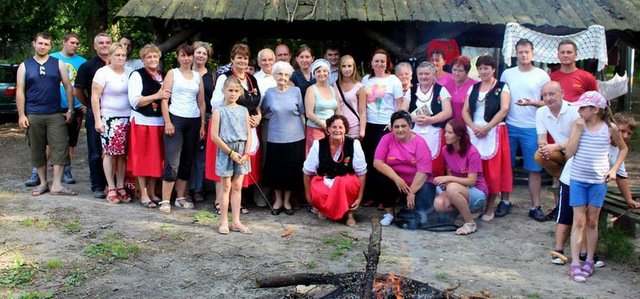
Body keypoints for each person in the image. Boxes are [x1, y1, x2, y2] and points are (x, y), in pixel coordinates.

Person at [565, 91, 627, 283]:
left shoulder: (610, 129)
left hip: (598, 181)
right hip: (577, 179)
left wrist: (614, 169)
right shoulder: (577, 125)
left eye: (583, 107)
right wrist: (578, 130)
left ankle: (589, 259)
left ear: (595, 110)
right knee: (579, 221)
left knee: (592, 221)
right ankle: (575, 262)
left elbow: (623, 148)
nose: (579, 110)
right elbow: (569, 153)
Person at [16, 32, 76, 196]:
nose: (43, 47)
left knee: (60, 147)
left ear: (50, 46)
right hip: (33, 114)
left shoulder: (58, 64)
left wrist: (70, 109)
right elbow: (20, 91)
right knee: (37, 149)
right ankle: (43, 183)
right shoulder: (25, 66)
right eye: (40, 43)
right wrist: (22, 115)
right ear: (34, 43)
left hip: (55, 113)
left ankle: (57, 185)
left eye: (46, 44)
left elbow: (68, 87)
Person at [500, 38, 550, 221]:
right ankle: (504, 201)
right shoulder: (507, 74)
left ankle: (535, 206)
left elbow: (548, 101)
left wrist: (532, 103)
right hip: (510, 125)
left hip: (533, 127)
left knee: (534, 169)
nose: (523, 55)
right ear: (515, 53)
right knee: (506, 166)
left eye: (526, 52)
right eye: (520, 52)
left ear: (532, 53)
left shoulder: (542, 75)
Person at [208, 43, 262, 214]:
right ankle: (219, 202)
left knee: (240, 165)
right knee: (226, 164)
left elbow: (256, 102)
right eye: (239, 57)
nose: (242, 61)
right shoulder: (225, 77)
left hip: (247, 126)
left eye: (245, 58)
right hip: (228, 127)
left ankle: (236, 202)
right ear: (232, 59)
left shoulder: (252, 79)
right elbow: (216, 103)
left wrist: (258, 116)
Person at [461, 55, 512, 221]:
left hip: (494, 131)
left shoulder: (502, 87)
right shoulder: (473, 88)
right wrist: (474, 127)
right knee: (475, 170)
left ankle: (490, 208)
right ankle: (477, 205)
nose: (483, 71)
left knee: (493, 172)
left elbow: (504, 110)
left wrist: (487, 128)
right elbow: (464, 111)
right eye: (481, 68)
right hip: (474, 132)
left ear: (493, 69)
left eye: (486, 68)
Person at [159, 44, 206, 213]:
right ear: (178, 57)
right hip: (176, 119)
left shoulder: (197, 76)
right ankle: (165, 200)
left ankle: (180, 197)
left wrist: (202, 124)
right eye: (183, 55)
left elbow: (201, 102)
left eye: (189, 55)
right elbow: (164, 98)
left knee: (187, 160)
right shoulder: (172, 73)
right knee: (173, 161)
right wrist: (168, 122)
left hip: (193, 120)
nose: (186, 58)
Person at [303, 115, 367, 226]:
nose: (337, 130)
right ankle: (324, 209)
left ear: (345, 129)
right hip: (325, 179)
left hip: (346, 180)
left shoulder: (354, 144)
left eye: (340, 127)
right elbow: (307, 172)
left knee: (341, 183)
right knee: (320, 190)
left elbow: (361, 174)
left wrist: (360, 197)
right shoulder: (319, 145)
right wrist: (309, 198)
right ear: (328, 129)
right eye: (334, 127)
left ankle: (348, 214)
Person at [360, 49, 405, 208]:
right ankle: (371, 195)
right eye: (376, 61)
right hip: (368, 125)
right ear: (371, 63)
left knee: (383, 163)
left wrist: (393, 124)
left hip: (386, 126)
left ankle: (384, 199)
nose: (379, 64)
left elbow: (399, 106)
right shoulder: (365, 80)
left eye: (382, 61)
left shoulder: (394, 81)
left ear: (387, 63)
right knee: (368, 161)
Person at [374, 111, 434, 226]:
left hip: (417, 182)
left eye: (403, 126)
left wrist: (412, 192)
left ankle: (421, 212)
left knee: (426, 188)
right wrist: (397, 179)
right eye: (396, 126)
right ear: (391, 128)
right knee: (380, 178)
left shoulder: (419, 142)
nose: (400, 129)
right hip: (398, 182)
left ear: (410, 126)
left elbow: (424, 171)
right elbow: (378, 163)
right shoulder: (386, 139)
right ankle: (390, 214)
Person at [127, 44, 169, 208]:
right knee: (142, 159)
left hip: (159, 122)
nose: (153, 60)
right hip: (142, 122)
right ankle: (143, 194)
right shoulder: (137, 75)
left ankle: (152, 192)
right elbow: (135, 101)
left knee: (157, 160)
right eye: (149, 57)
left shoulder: (163, 76)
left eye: (155, 57)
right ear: (143, 60)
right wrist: (157, 95)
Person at [91, 42, 134, 204]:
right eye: (117, 55)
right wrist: (97, 119)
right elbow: (95, 97)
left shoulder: (130, 72)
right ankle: (110, 187)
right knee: (110, 153)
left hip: (128, 118)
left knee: (123, 154)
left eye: (123, 55)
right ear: (110, 56)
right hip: (110, 118)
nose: (120, 58)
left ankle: (121, 185)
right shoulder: (102, 73)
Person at [261, 61, 306, 215]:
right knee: (276, 171)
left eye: (286, 74)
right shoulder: (269, 93)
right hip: (275, 137)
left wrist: (305, 133)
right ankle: (278, 200)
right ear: (274, 75)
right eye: (279, 74)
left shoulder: (296, 92)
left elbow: (302, 113)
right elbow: (263, 111)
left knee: (291, 172)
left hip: (295, 137)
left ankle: (287, 201)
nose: (283, 77)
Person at [210, 76, 252, 235]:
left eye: (236, 91)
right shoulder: (219, 111)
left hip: (241, 151)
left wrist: (246, 153)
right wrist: (230, 153)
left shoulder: (244, 110)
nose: (233, 94)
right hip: (226, 150)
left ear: (240, 92)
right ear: (223, 91)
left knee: (237, 186)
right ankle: (223, 221)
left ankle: (236, 221)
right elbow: (215, 136)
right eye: (230, 90)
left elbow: (249, 134)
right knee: (226, 186)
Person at [433, 119, 488, 235]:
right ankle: (463, 213)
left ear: (459, 135)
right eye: (446, 132)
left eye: (449, 133)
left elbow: (472, 181)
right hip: (458, 188)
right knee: (439, 203)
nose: (445, 135)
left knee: (452, 187)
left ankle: (470, 222)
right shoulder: (445, 151)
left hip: (476, 190)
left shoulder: (472, 152)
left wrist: (448, 180)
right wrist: (445, 182)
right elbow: (450, 173)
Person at [535, 81, 580, 222]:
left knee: (562, 156)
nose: (548, 98)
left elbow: (576, 141)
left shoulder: (574, 111)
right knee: (539, 155)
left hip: (577, 152)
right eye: (544, 95)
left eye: (552, 94)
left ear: (562, 93)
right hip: (561, 153)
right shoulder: (541, 112)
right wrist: (544, 148)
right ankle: (565, 178)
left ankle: (565, 181)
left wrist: (553, 147)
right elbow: (541, 138)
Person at [74, 33, 111, 199]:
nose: (104, 45)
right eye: (101, 43)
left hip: (117, 114)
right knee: (96, 151)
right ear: (95, 46)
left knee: (115, 151)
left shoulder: (120, 65)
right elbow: (78, 91)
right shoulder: (87, 66)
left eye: (108, 42)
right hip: (95, 112)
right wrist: (88, 105)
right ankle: (97, 185)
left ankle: (116, 185)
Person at [406, 61, 452, 178]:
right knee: (414, 161)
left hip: (434, 131)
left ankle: (434, 186)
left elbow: (448, 111)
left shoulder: (441, 90)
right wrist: (414, 118)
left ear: (433, 75)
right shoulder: (411, 91)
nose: (423, 77)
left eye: (427, 74)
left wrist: (431, 120)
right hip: (415, 131)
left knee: (435, 164)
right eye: (420, 74)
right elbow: (402, 111)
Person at [187, 41, 216, 203]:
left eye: (204, 53)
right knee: (187, 155)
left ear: (208, 57)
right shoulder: (184, 73)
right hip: (187, 117)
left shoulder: (213, 75)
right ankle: (186, 189)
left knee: (201, 156)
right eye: (198, 52)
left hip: (208, 118)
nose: (201, 56)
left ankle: (198, 189)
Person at [304, 59, 341, 154]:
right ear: (314, 74)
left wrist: (337, 126)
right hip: (316, 129)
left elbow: (338, 111)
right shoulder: (311, 90)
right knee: (317, 155)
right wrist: (325, 126)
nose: (322, 73)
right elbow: (309, 114)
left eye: (324, 71)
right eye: (318, 71)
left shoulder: (333, 89)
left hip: (332, 130)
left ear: (328, 73)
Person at [335, 55, 366, 139]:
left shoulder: (360, 87)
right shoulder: (334, 85)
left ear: (354, 67)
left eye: (349, 66)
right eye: (344, 66)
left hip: (354, 128)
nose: (347, 69)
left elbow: (362, 111)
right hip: (338, 128)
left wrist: (362, 131)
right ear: (340, 68)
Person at [441, 56, 477, 122]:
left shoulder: (475, 86)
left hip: (467, 125)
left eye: (460, 71)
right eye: (454, 70)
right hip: (449, 126)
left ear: (467, 71)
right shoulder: (446, 85)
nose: (456, 73)